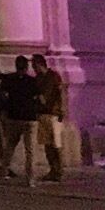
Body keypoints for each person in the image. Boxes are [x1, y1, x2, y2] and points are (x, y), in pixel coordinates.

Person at [0, 56, 42, 182]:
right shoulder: (32, 81)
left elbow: (2, 96)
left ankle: (3, 172)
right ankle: (31, 178)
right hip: (29, 118)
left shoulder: (9, 80)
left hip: (14, 117)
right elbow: (40, 98)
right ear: (27, 67)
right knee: (30, 150)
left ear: (16, 66)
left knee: (10, 146)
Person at [31, 52, 67, 183]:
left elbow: (60, 92)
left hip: (54, 113)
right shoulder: (38, 78)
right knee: (47, 144)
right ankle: (53, 169)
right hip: (42, 113)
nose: (33, 68)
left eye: (34, 65)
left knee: (56, 144)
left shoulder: (53, 76)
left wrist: (62, 108)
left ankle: (59, 170)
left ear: (40, 64)